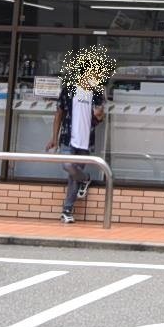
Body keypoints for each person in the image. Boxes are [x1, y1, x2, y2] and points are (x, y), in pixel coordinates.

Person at [51, 75, 100, 224]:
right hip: (68, 138)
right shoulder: (69, 90)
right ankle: (85, 178)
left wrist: (100, 116)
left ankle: (67, 211)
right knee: (67, 165)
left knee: (73, 178)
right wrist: (54, 138)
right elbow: (59, 114)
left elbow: (98, 118)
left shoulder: (96, 92)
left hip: (86, 141)